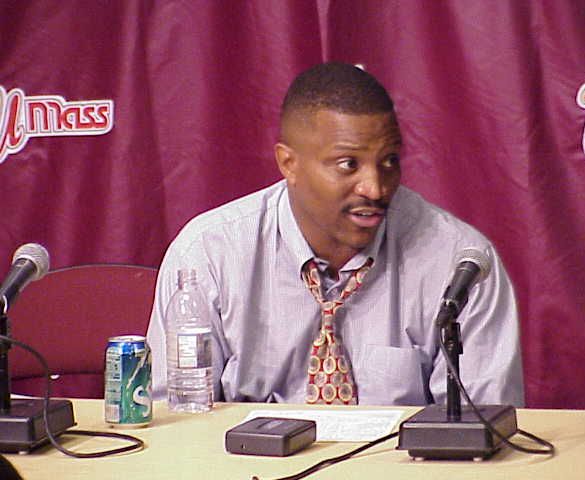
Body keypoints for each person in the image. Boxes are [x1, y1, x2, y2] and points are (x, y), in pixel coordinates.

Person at [146, 62, 524, 406]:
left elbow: (484, 423)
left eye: (389, 161)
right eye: (348, 164)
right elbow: (177, 420)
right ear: (289, 163)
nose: (375, 188)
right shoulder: (209, 254)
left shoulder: (460, 263)